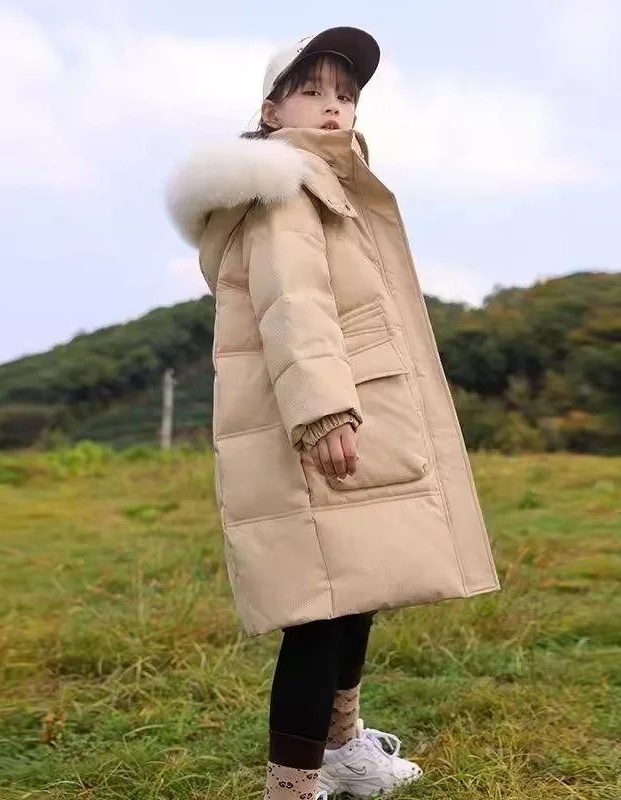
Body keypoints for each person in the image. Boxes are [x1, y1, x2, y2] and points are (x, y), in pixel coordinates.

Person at [165, 26, 500, 800]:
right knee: (320, 614)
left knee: (356, 589)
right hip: (321, 418)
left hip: (352, 409)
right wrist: (322, 412)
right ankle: (292, 788)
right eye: (311, 90)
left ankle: (345, 749)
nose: (332, 106)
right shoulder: (286, 187)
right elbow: (296, 304)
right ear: (271, 109)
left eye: (345, 95)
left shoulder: (328, 183)